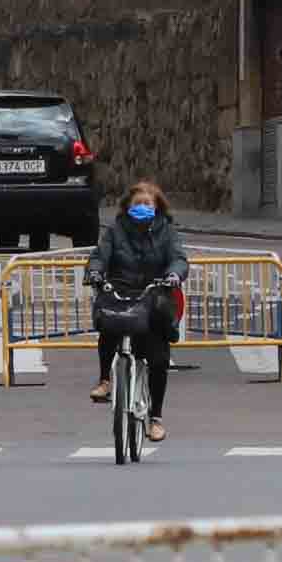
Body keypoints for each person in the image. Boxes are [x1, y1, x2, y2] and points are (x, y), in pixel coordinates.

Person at [87, 176, 190, 444]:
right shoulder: (116, 229)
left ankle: (155, 418)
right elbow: (100, 255)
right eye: (137, 203)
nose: (142, 207)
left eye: (147, 203)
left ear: (157, 207)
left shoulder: (167, 231)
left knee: (158, 358)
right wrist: (96, 272)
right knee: (109, 323)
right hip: (121, 290)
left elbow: (178, 258)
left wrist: (174, 276)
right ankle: (105, 381)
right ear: (128, 206)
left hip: (154, 294)